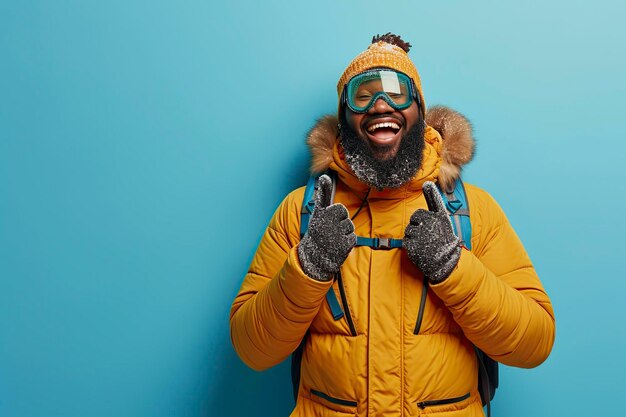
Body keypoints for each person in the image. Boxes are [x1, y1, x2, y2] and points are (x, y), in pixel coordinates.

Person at [229, 33, 555, 417]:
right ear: (345, 116)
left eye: (397, 93)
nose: (380, 105)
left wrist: (454, 267)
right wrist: (308, 266)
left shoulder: (471, 211)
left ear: (419, 108)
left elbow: (535, 343)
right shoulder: (301, 212)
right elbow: (253, 349)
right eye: (362, 95)